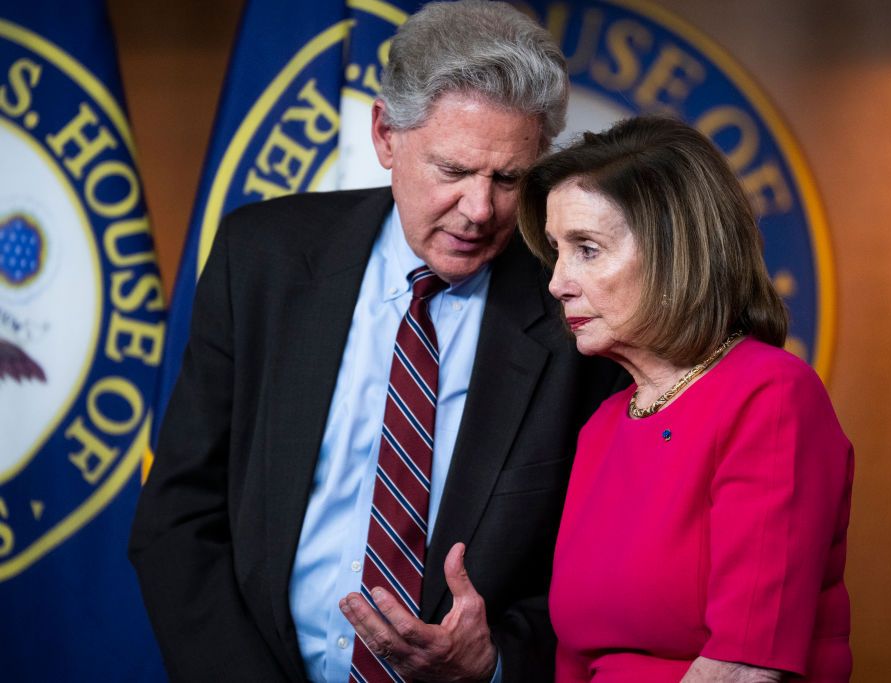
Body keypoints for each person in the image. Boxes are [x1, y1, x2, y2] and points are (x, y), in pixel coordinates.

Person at [129, 2, 624, 682]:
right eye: (452, 171)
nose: (480, 210)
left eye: (509, 179)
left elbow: (605, 570)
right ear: (386, 135)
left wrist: (495, 661)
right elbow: (178, 519)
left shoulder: (576, 311)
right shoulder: (263, 258)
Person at [517, 116, 854, 682]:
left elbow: (744, 669)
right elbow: (574, 660)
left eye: (588, 250)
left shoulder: (770, 396)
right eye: (557, 251)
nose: (557, 283)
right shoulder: (602, 424)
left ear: (675, 251)